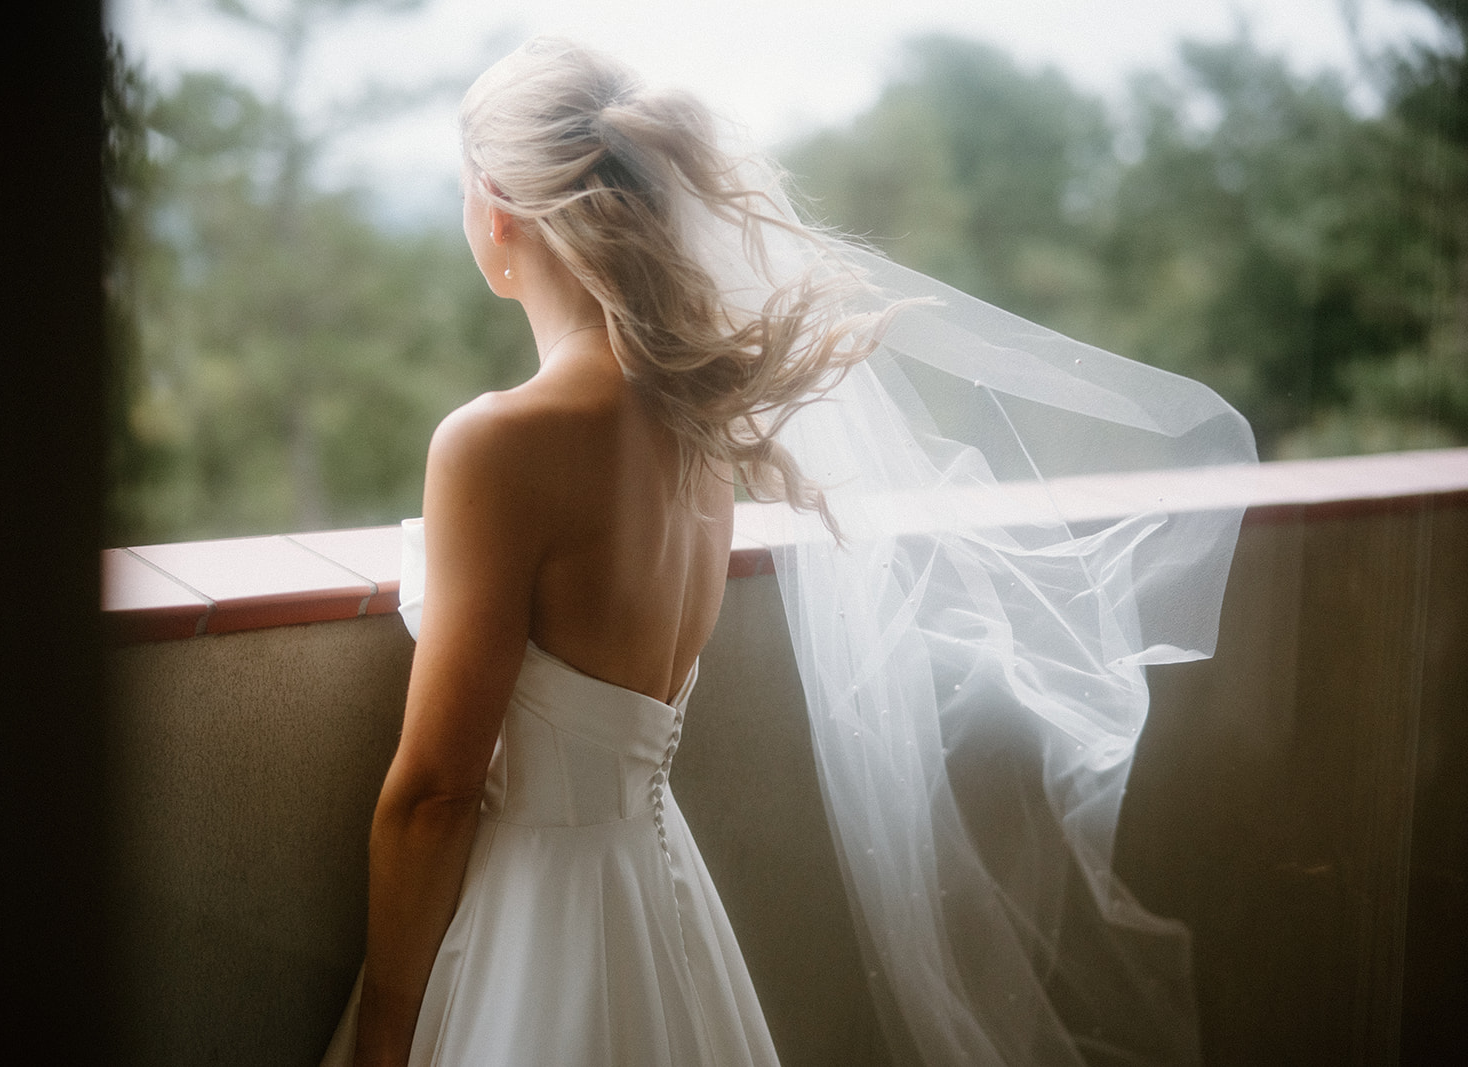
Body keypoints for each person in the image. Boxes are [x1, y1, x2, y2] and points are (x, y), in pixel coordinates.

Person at [328, 34, 1256, 1067]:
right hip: (658, 897)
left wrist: (383, 1029)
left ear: (492, 211)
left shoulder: (498, 442)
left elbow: (434, 793)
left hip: (538, 922)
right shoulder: (701, 425)